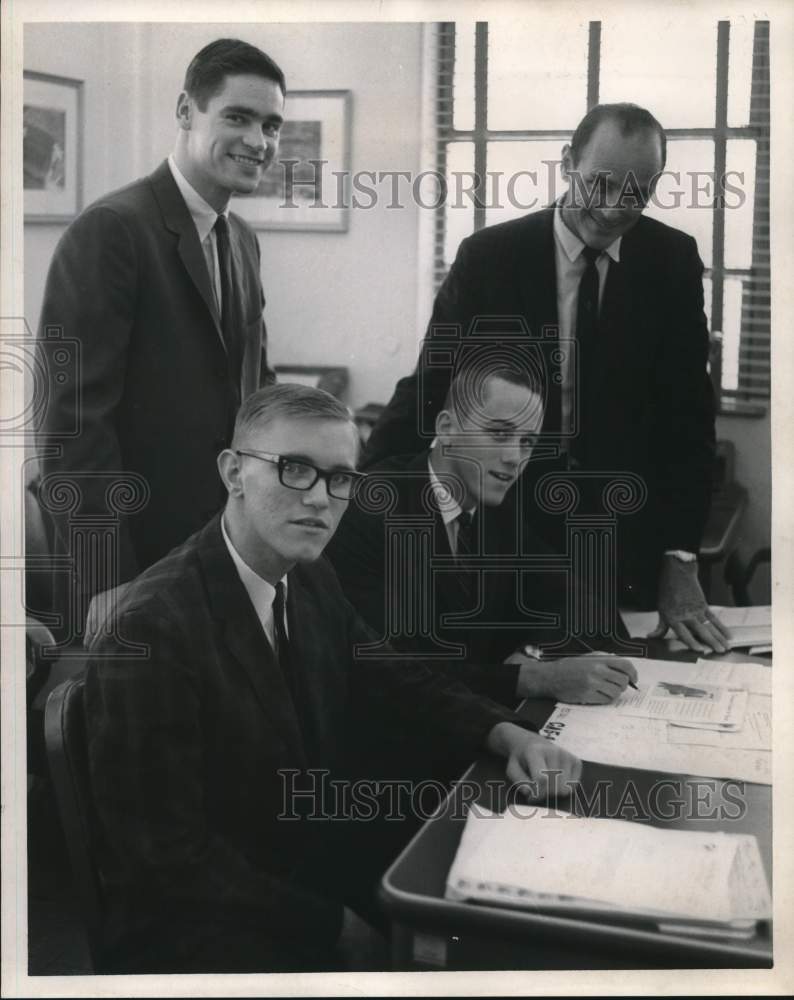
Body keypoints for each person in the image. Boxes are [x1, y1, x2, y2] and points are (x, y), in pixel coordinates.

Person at [84, 382, 582, 973]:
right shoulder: (153, 630)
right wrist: (333, 927)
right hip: (199, 932)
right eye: (296, 469)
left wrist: (507, 733)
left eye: (340, 478)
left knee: (513, 905)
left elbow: (396, 678)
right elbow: (167, 863)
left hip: (293, 867)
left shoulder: (310, 578)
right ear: (234, 472)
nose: (321, 498)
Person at [362, 103, 730, 656]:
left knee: (617, 686)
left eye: (634, 193)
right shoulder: (490, 257)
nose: (611, 210)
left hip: (620, 531)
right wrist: (363, 491)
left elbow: (689, 423)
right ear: (566, 164)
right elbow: (431, 386)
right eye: (599, 184)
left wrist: (680, 557)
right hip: (510, 525)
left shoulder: (672, 261)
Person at [36, 38, 285, 643]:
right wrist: (105, 581)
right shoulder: (112, 230)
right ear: (184, 111)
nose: (259, 140)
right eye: (237, 116)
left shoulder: (242, 240)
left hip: (220, 553)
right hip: (133, 569)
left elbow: (254, 395)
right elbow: (71, 425)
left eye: (271, 123)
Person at [327, 362, 638, 709]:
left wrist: (534, 653)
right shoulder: (369, 512)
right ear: (446, 428)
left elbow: (582, 604)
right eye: (499, 434)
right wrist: (536, 678)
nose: (513, 458)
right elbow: (395, 670)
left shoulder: (495, 510)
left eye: (527, 441)